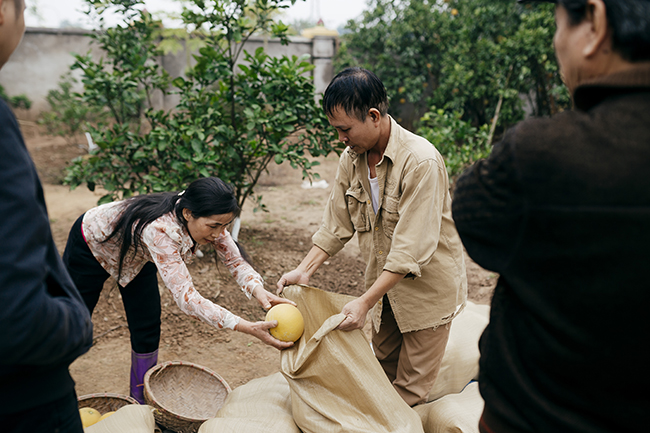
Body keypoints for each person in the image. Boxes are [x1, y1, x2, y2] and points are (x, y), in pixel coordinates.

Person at [451, 0, 650, 431]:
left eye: (558, 25)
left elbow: (471, 216)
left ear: (594, 23)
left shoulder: (540, 156)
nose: (557, 42)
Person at [277, 67, 468, 407]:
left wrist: (364, 302)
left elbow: (410, 250)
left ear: (374, 116)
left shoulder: (420, 161)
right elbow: (336, 224)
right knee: (380, 374)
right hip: (385, 295)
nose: (341, 139)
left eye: (345, 129)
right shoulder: (351, 160)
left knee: (408, 391)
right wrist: (304, 270)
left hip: (426, 294)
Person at [62, 177, 294, 404]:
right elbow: (188, 300)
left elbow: (234, 261)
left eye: (225, 226)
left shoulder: (208, 216)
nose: (218, 234)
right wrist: (246, 327)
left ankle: (140, 398)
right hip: (93, 243)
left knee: (147, 323)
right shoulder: (161, 232)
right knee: (73, 322)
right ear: (187, 214)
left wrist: (257, 289)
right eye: (213, 226)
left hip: (138, 252)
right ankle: (53, 385)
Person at [0, 0, 94, 431]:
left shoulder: (205, 226)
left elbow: (228, 250)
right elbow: (17, 314)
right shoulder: (160, 233)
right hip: (24, 400)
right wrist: (77, 323)